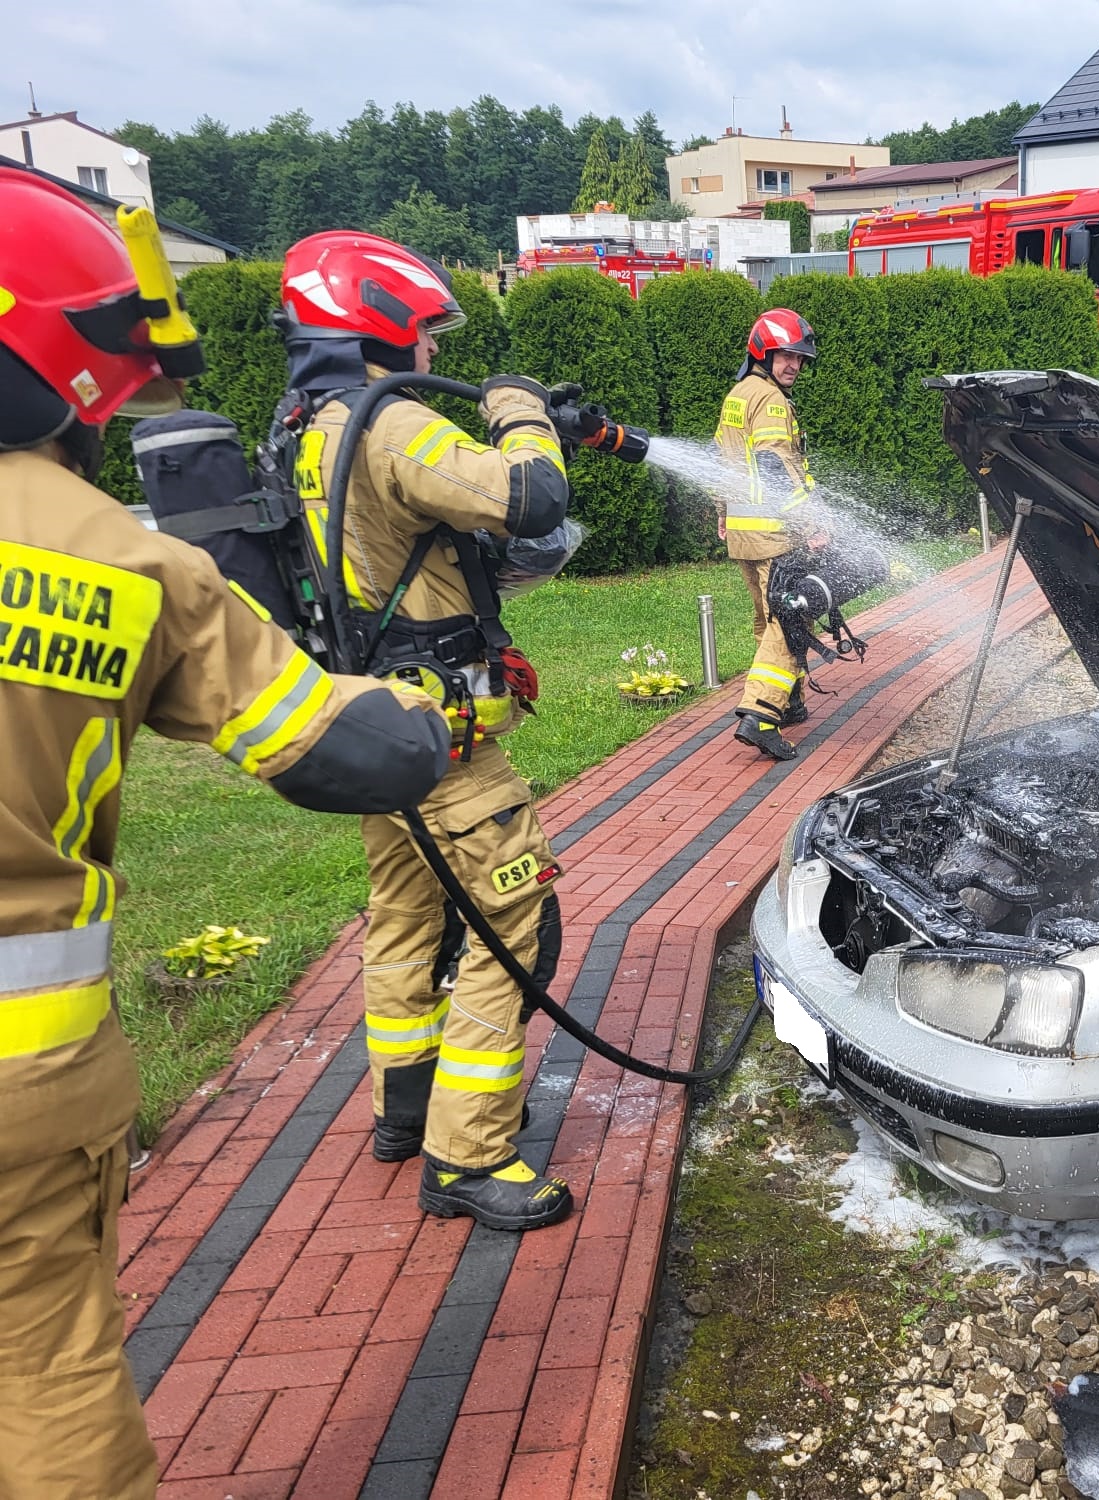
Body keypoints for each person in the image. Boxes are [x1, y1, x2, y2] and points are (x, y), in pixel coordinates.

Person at [0, 168, 453, 1498]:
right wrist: (431, 708)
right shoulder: (112, 559)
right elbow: (348, 751)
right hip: (22, 1094)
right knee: (44, 1382)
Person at [277, 230, 575, 1232]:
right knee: (515, 922)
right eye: (427, 334)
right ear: (382, 323)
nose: (434, 354)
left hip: (374, 728)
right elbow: (533, 495)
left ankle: (402, 1107)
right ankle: (468, 1153)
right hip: (443, 737)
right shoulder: (394, 426)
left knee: (404, 916)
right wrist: (522, 412)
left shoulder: (307, 425)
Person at [714, 308, 821, 762]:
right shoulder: (773, 402)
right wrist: (811, 523)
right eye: (785, 356)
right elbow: (775, 467)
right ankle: (760, 714)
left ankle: (789, 699)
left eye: (798, 358)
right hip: (776, 531)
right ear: (764, 352)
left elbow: (724, 461)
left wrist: (723, 513)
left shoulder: (738, 395)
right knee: (789, 619)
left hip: (744, 531)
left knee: (767, 618)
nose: (793, 365)